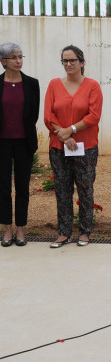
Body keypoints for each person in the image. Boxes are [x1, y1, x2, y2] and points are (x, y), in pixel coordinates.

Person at [44, 45, 103, 248]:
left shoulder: (92, 86)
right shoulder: (53, 85)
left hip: (86, 147)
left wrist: (71, 129)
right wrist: (64, 135)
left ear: (82, 62)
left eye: (73, 60)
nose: (68, 64)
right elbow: (48, 117)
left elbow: (94, 116)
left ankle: (85, 232)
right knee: (62, 189)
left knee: (85, 189)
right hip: (59, 147)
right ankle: (64, 232)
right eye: (65, 61)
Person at [0, 42, 40, 247]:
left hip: (24, 142)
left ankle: (21, 229)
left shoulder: (32, 84)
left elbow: (33, 115)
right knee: (3, 188)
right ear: (3, 61)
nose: (18, 61)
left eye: (20, 56)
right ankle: (7, 229)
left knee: (23, 187)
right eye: (14, 57)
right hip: (2, 144)